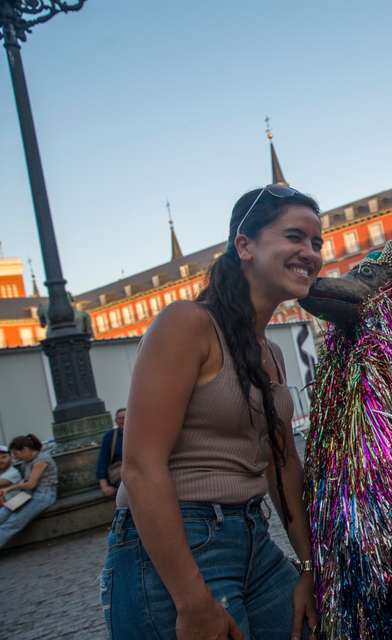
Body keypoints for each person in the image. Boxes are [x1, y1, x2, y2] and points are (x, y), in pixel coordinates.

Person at [101, 185, 322, 639]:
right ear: (245, 245)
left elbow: (283, 466)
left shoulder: (271, 353)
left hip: (252, 538)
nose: (311, 253)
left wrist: (307, 568)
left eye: (317, 243)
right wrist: (191, 599)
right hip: (178, 542)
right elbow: (141, 467)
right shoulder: (187, 324)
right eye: (295, 237)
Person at [0, 434, 58, 548]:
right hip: (28, 494)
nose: (16, 458)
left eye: (16, 454)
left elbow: (31, 484)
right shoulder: (26, 462)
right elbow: (25, 482)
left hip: (43, 495)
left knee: (14, 522)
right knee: (4, 512)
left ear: (26, 449)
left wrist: (9, 489)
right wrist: (9, 489)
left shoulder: (42, 460)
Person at [96, 407, 126, 497]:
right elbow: (103, 461)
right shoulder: (110, 437)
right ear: (116, 421)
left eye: (125, 417)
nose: (122, 420)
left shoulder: (139, 433)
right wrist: (104, 486)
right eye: (119, 418)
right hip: (121, 474)